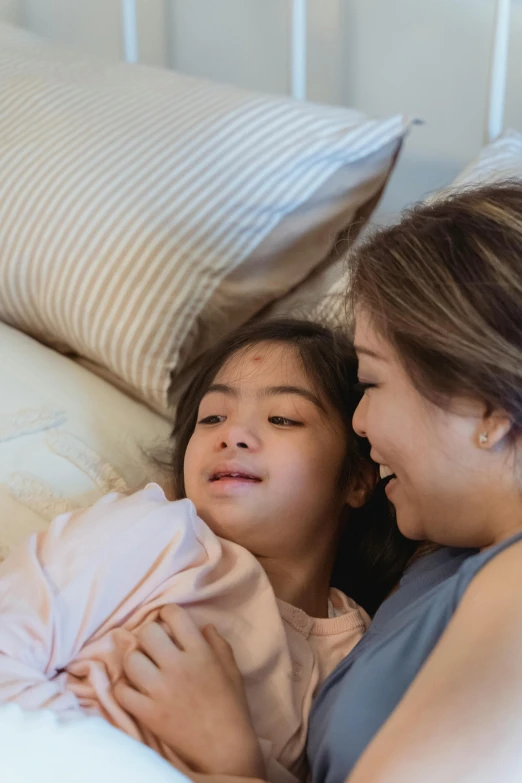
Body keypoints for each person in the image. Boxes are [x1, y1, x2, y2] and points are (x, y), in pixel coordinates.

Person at [120, 181, 522, 783]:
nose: (361, 423)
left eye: (373, 384)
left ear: (488, 407)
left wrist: (230, 758)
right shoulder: (446, 561)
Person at [0, 318, 402, 783]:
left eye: (282, 418)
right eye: (212, 417)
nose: (232, 435)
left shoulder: (357, 654)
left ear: (358, 477)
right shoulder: (152, 535)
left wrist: (235, 766)